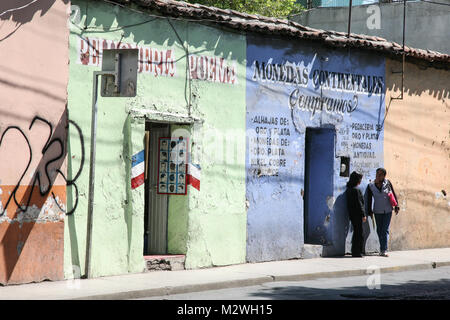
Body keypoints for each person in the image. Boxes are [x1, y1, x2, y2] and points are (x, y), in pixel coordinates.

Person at [365, 168, 400, 257]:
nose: (378, 176)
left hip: (388, 210)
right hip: (377, 211)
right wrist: (369, 210)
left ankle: (383, 249)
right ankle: (382, 248)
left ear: (384, 176)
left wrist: (396, 205)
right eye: (377, 174)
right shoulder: (371, 186)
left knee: (384, 230)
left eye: (380, 174)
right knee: (379, 230)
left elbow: (393, 194)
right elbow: (369, 199)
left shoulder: (387, 183)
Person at [346, 171, 366, 258]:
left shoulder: (349, 189)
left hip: (352, 215)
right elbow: (359, 204)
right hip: (357, 215)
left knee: (356, 233)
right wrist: (363, 214)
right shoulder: (356, 190)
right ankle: (358, 252)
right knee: (359, 233)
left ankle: (355, 251)